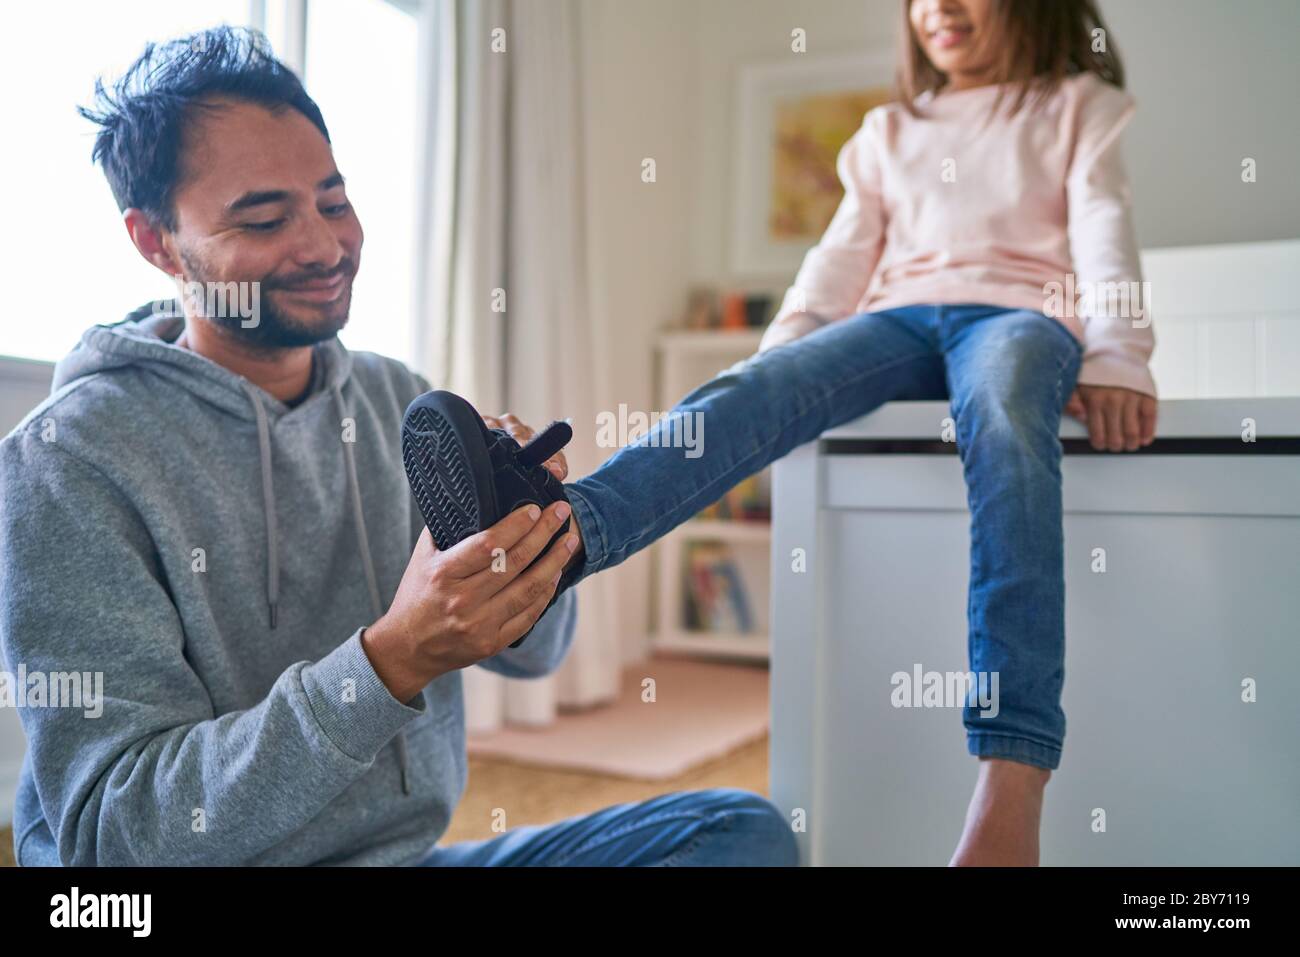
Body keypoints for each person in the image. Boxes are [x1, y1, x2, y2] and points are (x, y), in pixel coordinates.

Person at [0, 26, 797, 868]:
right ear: (156, 242)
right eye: (265, 217)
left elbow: (535, 656)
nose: (324, 245)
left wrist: (521, 544)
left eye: (334, 202)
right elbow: (116, 841)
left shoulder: (392, 397)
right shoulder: (71, 458)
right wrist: (391, 660)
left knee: (737, 835)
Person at [505, 0, 1157, 866]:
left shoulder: (1076, 104)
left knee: (1003, 410)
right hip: (899, 318)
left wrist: (1118, 352)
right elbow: (842, 257)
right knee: (754, 383)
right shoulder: (891, 129)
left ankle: (1014, 768)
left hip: (1020, 314)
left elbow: (1105, 232)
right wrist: (784, 361)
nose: (942, 10)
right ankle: (567, 531)